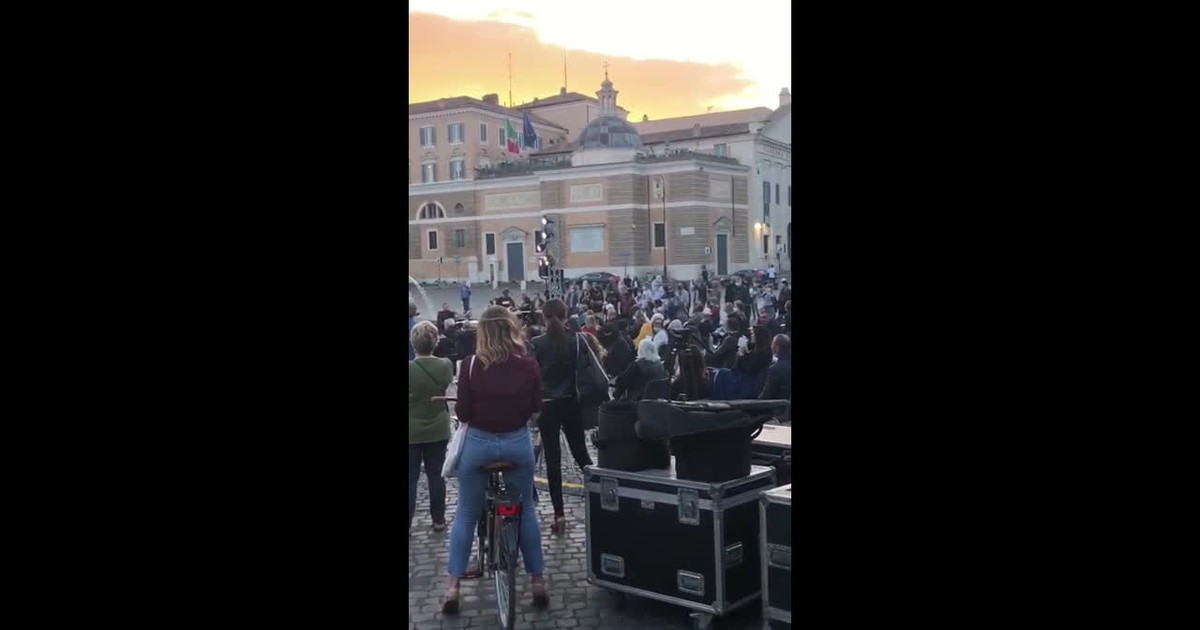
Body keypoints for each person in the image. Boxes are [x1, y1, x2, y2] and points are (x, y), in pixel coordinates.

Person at [444, 306, 548, 613]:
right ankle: (537, 582)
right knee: (527, 511)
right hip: (517, 443)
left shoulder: (470, 365)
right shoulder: (528, 366)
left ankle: (453, 587)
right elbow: (535, 408)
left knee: (465, 512)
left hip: (478, 445)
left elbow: (462, 414)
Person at [531, 299, 596, 535]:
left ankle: (559, 515)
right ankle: (599, 499)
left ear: (544, 317)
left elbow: (533, 379)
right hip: (571, 402)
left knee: (553, 461)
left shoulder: (536, 344)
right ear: (566, 314)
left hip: (547, 406)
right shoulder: (577, 340)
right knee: (582, 455)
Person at [409, 321, 453, 533]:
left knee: (410, 479)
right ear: (435, 342)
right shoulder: (445, 365)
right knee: (436, 476)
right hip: (438, 427)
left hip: (411, 430)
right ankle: (438, 519)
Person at [760, 334, 791, 401]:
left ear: (777, 347)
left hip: (778, 407)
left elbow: (766, 396)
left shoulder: (775, 369)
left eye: (772, 344)